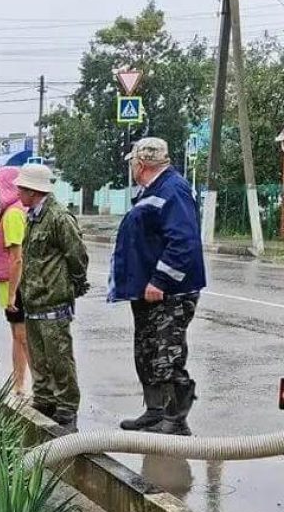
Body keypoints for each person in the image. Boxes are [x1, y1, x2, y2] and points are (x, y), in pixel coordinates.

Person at [111, 138, 207, 436]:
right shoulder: (154, 190)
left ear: (141, 164)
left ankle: (176, 419)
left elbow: (183, 242)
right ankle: (155, 412)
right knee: (148, 351)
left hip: (170, 294)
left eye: (132, 163)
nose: (131, 168)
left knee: (167, 353)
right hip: (148, 293)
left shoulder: (172, 189)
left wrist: (160, 280)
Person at [15, 163, 89, 430]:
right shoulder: (32, 216)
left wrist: (74, 285)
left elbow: (77, 256)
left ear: (33, 191)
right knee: (39, 356)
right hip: (33, 300)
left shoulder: (58, 218)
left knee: (59, 357)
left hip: (53, 301)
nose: (17, 192)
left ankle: (67, 406)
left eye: (21, 188)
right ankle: (45, 398)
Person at [0, 166, 30, 399]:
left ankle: (40, 389)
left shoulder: (14, 214)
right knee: (17, 335)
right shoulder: (9, 212)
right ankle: (19, 384)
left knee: (23, 336)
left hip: (16, 285)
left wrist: (13, 293)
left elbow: (17, 259)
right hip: (9, 285)